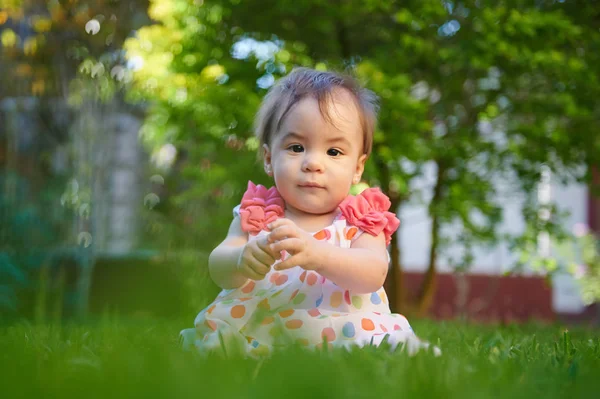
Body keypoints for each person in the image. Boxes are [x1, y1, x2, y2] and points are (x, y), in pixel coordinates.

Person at [180, 67, 435, 357]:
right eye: (297, 147)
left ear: (358, 168)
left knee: (383, 345)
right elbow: (219, 266)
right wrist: (241, 259)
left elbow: (373, 272)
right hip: (264, 326)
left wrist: (320, 254)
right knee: (226, 347)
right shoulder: (258, 215)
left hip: (345, 329)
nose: (313, 163)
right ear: (268, 158)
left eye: (334, 152)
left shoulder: (359, 220)